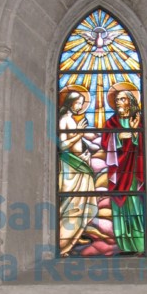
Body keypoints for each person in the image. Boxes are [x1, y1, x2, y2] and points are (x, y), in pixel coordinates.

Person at [103, 81, 145, 254]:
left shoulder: (139, 120)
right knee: (119, 207)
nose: (118, 102)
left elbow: (143, 144)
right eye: (117, 99)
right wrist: (119, 136)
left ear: (130, 101)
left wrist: (135, 134)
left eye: (122, 99)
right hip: (118, 171)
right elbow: (105, 142)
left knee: (135, 204)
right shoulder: (111, 122)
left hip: (134, 170)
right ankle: (124, 246)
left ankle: (140, 244)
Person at [58, 86, 99, 256]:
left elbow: (76, 142)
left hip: (79, 165)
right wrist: (79, 134)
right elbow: (63, 146)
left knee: (82, 204)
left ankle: (76, 234)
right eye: (78, 103)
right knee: (72, 206)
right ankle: (64, 243)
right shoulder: (63, 120)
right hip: (70, 168)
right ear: (70, 103)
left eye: (82, 103)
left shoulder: (72, 120)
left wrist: (87, 150)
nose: (80, 107)